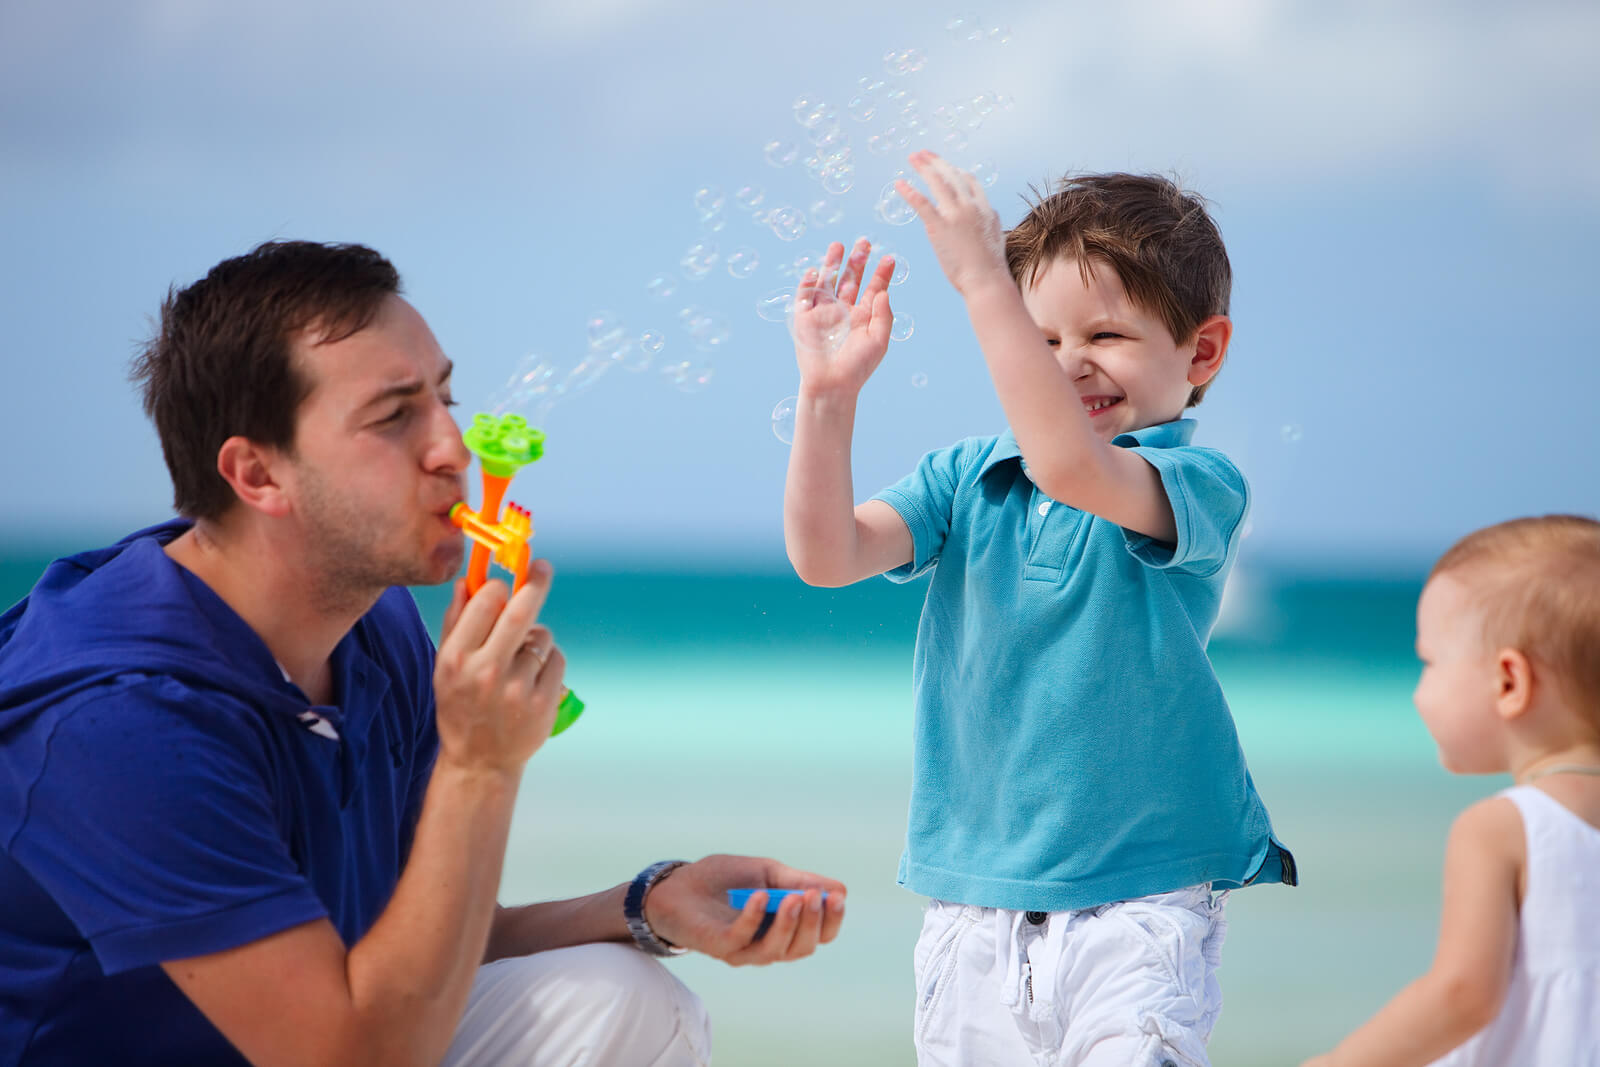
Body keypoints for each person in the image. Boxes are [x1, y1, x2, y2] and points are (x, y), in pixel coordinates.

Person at [0, 240, 847, 1067]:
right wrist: (480, 765)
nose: (455, 447)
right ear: (257, 476)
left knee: (623, 995)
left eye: (445, 398)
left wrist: (648, 903)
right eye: (394, 416)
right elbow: (353, 1053)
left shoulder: (373, 625)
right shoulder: (120, 723)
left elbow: (416, 947)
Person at [783, 150, 1293, 1066]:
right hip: (971, 896)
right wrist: (828, 399)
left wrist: (983, 281)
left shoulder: (1197, 483)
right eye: (1042, 339)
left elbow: (1074, 468)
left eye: (1104, 336)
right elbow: (826, 556)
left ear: (1201, 351)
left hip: (1141, 899)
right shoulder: (967, 476)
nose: (1067, 366)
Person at [1303, 515, 1600, 1067]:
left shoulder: (1502, 828)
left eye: (1429, 661)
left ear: (1509, 683)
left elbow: (1463, 995)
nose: (1419, 693)